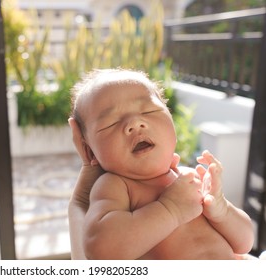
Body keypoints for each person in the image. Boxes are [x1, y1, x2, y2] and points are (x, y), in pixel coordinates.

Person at [68, 68, 254, 260]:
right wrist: (169, 209)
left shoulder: (190, 179)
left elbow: (244, 243)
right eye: (111, 122)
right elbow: (100, 251)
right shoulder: (115, 187)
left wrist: (222, 210)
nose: (135, 123)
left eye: (148, 110)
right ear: (90, 151)